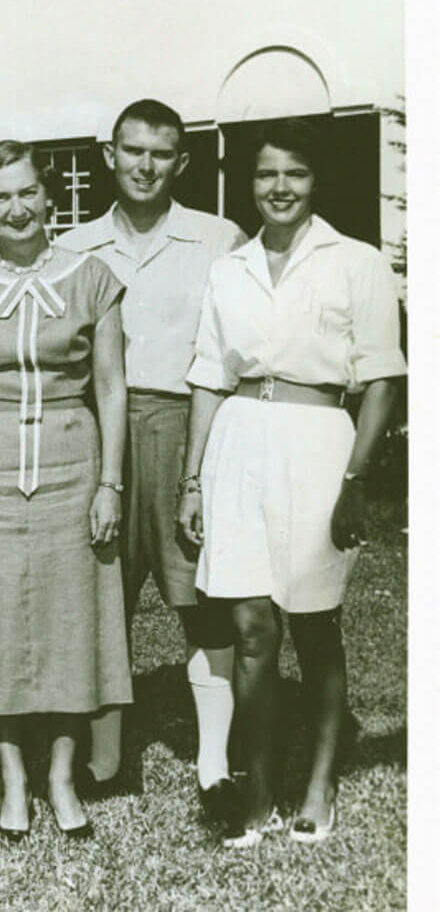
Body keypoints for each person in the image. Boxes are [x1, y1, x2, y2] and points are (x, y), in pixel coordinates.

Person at [176, 118, 405, 847]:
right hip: (239, 445)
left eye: (295, 174)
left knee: (313, 625)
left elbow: (380, 381)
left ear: (316, 181)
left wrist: (356, 481)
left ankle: (320, 784)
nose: (280, 188)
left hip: (318, 446)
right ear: (250, 182)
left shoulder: (356, 262)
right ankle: (259, 791)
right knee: (249, 626)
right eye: (267, 174)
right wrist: (192, 482)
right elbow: (210, 380)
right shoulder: (228, 269)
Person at [0, 140, 133, 840]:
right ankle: (15, 780)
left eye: (27, 193)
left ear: (49, 198)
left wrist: (110, 483)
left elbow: (110, 386)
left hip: (73, 470)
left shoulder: (93, 278)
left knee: (73, 626)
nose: (15, 209)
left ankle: (62, 777)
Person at [57, 99, 246, 817]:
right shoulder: (74, 245)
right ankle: (105, 757)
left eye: (160, 154)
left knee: (200, 594)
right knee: (102, 592)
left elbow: (227, 352)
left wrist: (199, 465)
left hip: (182, 422)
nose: (144, 166)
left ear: (182, 162)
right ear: (109, 155)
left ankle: (214, 761)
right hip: (95, 430)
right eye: (131, 150)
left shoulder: (218, 238)